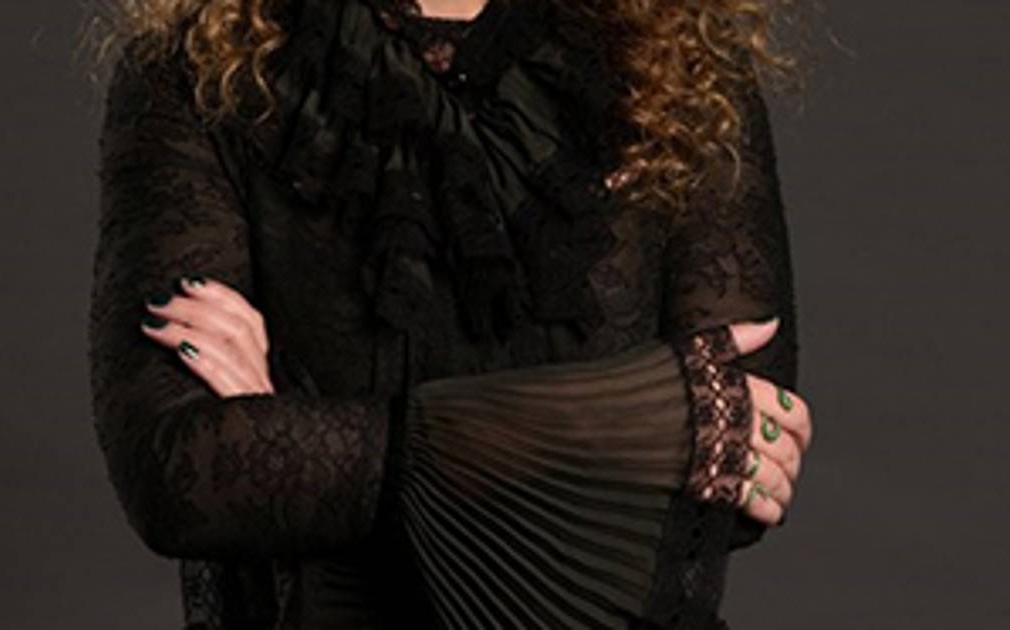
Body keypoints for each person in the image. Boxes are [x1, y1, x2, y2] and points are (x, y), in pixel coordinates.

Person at [85, 0, 815, 627]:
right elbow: (179, 475)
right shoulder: (200, 67)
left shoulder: (685, 65)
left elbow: (733, 472)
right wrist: (623, 428)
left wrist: (306, 442)